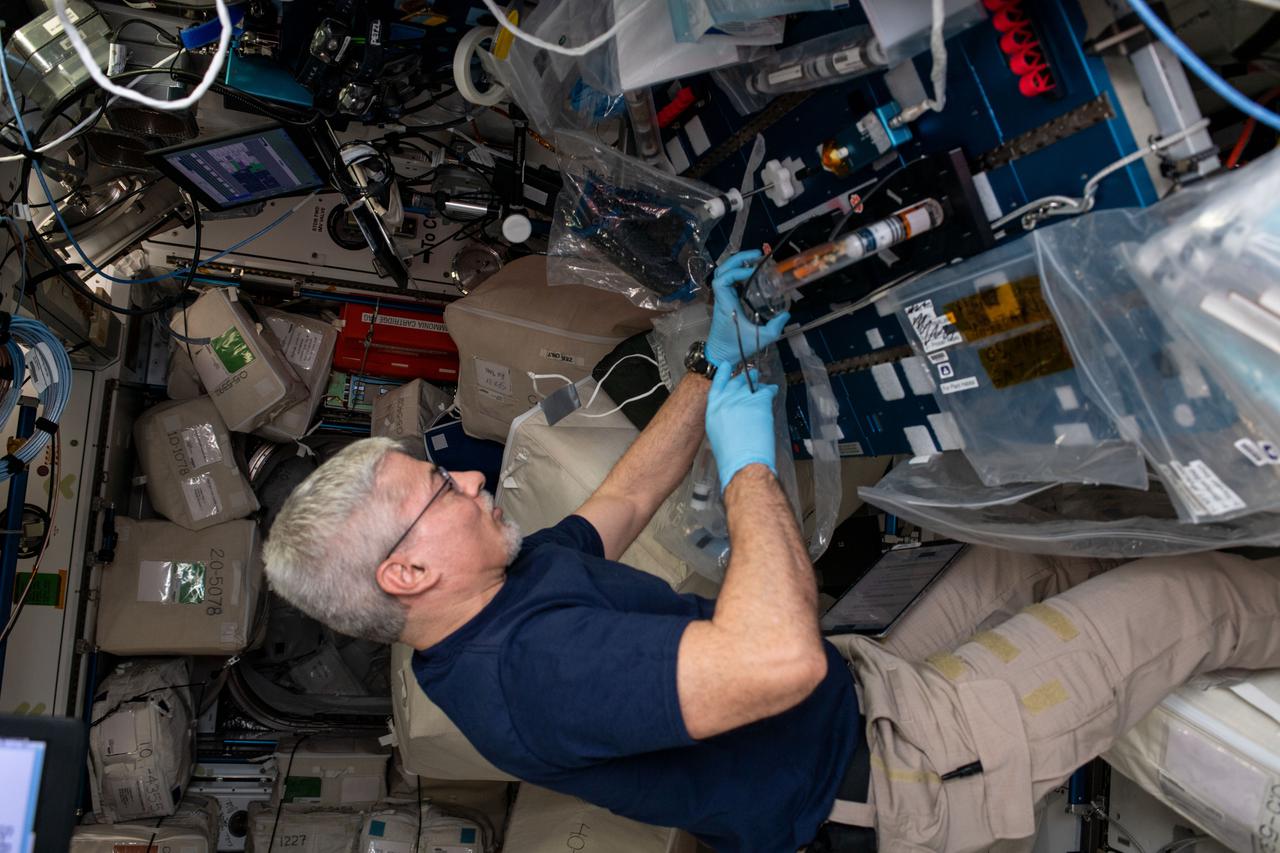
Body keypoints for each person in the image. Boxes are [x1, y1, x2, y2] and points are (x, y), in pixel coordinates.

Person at [264, 252, 1280, 853]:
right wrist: (748, 460)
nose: (472, 478)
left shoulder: (502, 589)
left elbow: (625, 494)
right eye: (439, 491)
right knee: (1188, 601)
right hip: (891, 770)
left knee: (1033, 544)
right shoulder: (527, 676)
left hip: (853, 689)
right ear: (405, 573)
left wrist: (715, 362)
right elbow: (774, 661)